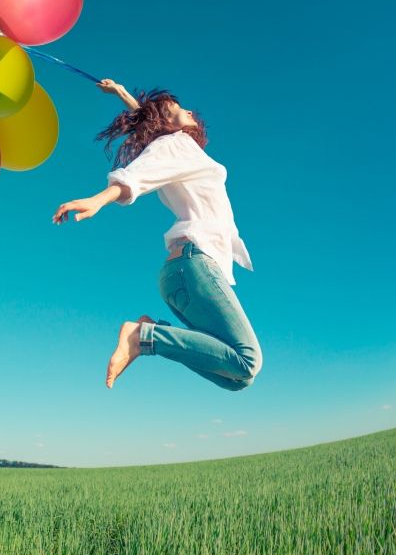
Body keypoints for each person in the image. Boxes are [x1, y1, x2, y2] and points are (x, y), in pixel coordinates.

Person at [53, 79, 261, 390]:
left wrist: (123, 94)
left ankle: (150, 331)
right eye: (179, 109)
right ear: (166, 121)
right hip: (193, 265)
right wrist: (98, 199)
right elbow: (139, 173)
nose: (189, 110)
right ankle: (143, 337)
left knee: (236, 379)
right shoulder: (174, 145)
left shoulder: (181, 149)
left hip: (184, 274)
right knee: (248, 361)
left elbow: (154, 123)